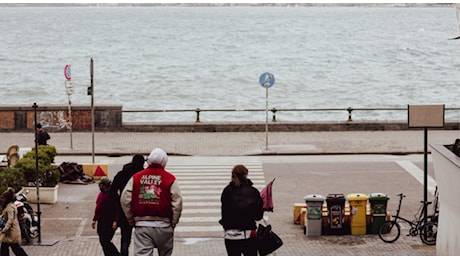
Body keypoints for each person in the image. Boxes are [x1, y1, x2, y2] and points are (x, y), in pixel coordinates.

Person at [121, 148, 182, 256]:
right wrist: (173, 222)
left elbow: (125, 199)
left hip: (142, 224)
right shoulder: (170, 179)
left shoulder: (136, 178)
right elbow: (177, 202)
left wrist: (131, 219)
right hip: (164, 225)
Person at [219, 164, 264, 256]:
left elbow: (224, 212)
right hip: (248, 234)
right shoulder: (253, 191)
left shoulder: (227, 191)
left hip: (230, 235)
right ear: (246, 174)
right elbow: (258, 216)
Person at [109, 154, 145, 256]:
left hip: (124, 210)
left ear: (131, 161)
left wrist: (119, 200)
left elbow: (112, 192)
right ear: (143, 163)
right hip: (141, 210)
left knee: (125, 239)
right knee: (143, 241)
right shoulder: (143, 176)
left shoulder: (122, 174)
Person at [92, 177, 120, 256]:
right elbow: (98, 207)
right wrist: (94, 219)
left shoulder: (112, 194)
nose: (99, 187)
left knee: (105, 240)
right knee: (102, 239)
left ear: (105, 185)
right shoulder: (101, 194)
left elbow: (117, 208)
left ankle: (117, 255)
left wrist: (115, 220)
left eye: (101, 185)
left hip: (109, 221)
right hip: (101, 220)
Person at [0, 187, 28, 256]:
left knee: (15, 248)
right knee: (5, 247)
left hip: (11, 231)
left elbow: (10, 219)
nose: (2, 199)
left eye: (3, 198)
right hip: (10, 232)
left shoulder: (10, 208)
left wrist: (5, 228)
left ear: (7, 198)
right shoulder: (11, 205)